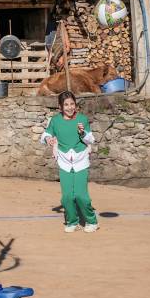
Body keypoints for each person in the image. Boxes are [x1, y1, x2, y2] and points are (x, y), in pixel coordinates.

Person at [40, 91, 99, 233]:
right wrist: (48, 139)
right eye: (66, 105)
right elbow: (46, 134)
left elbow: (90, 139)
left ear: (75, 105)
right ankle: (73, 221)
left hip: (80, 161)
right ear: (60, 107)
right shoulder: (55, 120)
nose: (70, 107)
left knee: (80, 195)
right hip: (64, 162)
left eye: (72, 104)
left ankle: (92, 221)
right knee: (67, 197)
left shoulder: (82, 119)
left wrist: (82, 133)